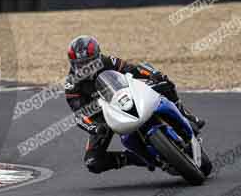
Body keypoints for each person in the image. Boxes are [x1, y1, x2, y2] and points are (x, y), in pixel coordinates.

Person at [65, 35, 210, 176]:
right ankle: (135, 159)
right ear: (72, 63)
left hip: (126, 96)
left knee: (165, 83)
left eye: (90, 62)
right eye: (80, 64)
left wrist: (153, 74)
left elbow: (133, 69)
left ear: (98, 56)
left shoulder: (108, 61)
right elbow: (79, 114)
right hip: (103, 117)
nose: (86, 67)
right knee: (93, 162)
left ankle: (187, 116)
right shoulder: (71, 85)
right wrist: (95, 127)